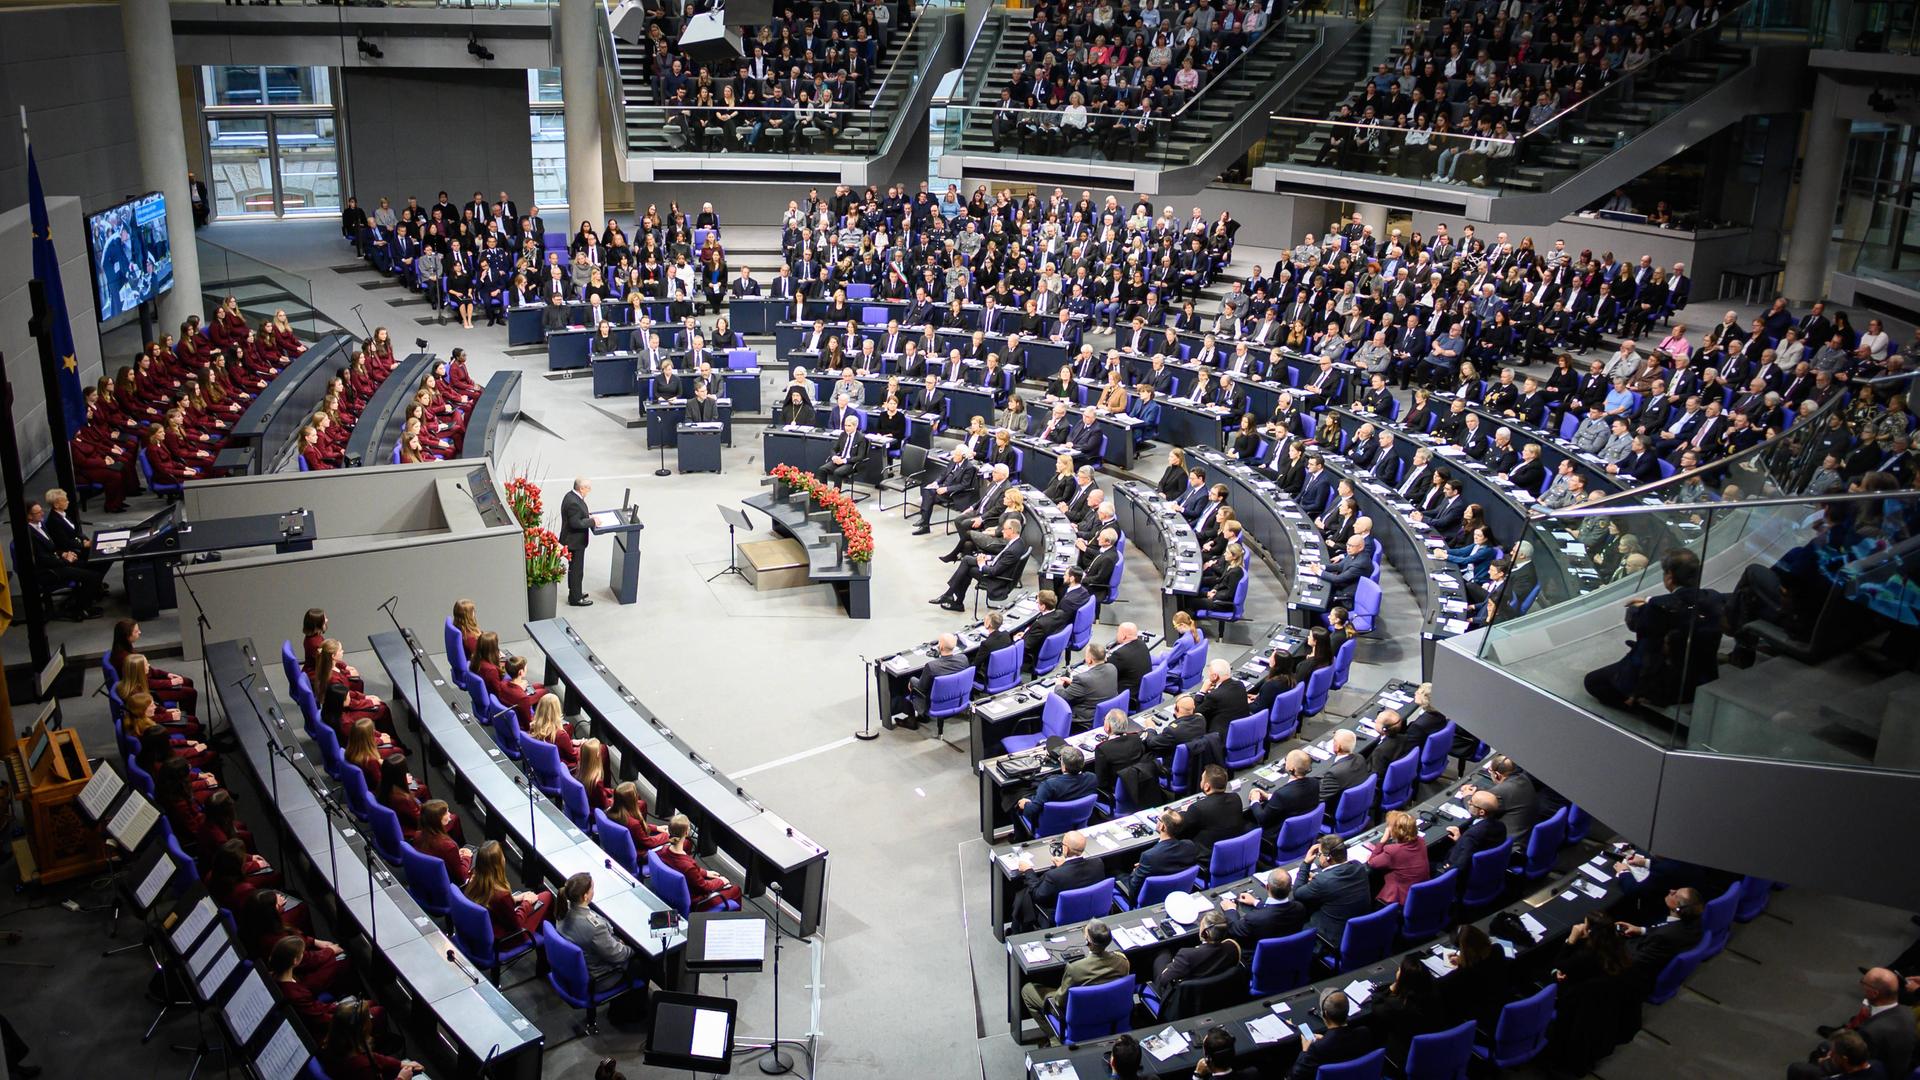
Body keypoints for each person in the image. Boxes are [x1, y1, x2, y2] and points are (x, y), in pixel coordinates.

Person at [1583, 548, 1724, 709]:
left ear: (1669, 577)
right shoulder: (1713, 597)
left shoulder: (1658, 608)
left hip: (1668, 685)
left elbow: (1640, 633)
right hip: (1701, 681)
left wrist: (1641, 607)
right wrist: (1649, 602)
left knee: (1593, 681)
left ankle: (1638, 703)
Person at [1791, 968, 1915, 1078]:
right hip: (1895, 1066)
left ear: (1874, 993)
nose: (1861, 985)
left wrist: (1823, 1062)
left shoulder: (1872, 1032)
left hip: (1875, 1073)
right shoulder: (1906, 1012)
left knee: (1803, 1065)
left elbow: (1855, 1063)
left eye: (1863, 983)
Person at [550, 873, 644, 1005]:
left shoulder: (562, 910)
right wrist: (632, 948)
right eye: (592, 889)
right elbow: (618, 955)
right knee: (643, 961)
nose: (594, 891)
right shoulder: (595, 928)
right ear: (585, 896)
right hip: (600, 977)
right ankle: (626, 1013)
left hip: (576, 970)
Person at [1018, 919, 1131, 1023]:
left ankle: (1054, 1039)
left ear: (1088, 942)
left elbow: (1059, 1001)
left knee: (1028, 990)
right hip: (1109, 1010)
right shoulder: (1123, 961)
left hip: (1081, 1016)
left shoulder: (1075, 968)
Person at [1352, 955, 1446, 1065]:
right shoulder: (1434, 993)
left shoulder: (1398, 1005)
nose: (1397, 970)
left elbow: (1376, 1006)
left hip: (1403, 1056)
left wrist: (1391, 989)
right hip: (1433, 1048)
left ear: (1403, 978)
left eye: (1400, 969)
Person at [1011, 830, 1105, 931]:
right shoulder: (1098, 864)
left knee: (1023, 895)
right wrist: (1065, 866)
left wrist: (1028, 870)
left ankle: (1018, 931)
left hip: (1064, 915)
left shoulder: (1054, 875)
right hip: (1091, 911)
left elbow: (1036, 895)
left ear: (1066, 848)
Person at [464, 840, 551, 946]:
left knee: (537, 905)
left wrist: (514, 899)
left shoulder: (474, 879)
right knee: (546, 896)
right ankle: (546, 950)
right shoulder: (501, 895)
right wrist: (527, 903)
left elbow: (489, 902)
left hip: (483, 931)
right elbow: (517, 925)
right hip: (505, 939)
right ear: (498, 863)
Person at [1294, 833, 1372, 943]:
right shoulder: (1358, 866)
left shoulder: (1323, 881)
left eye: (1319, 854)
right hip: (1358, 930)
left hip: (1331, 939)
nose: (1318, 856)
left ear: (1327, 858)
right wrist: (1320, 878)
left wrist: (1306, 863)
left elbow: (1297, 893)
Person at [1149, 909, 1243, 1000]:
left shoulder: (1187, 955)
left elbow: (1163, 980)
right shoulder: (1232, 947)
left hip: (1182, 1002)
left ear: (1205, 933)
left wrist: (1172, 964)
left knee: (1162, 954)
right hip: (1217, 996)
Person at [321, 1001, 423, 1080]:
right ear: (363, 1028)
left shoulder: (332, 1043)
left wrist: (399, 1064)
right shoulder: (363, 1068)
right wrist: (402, 1078)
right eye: (369, 1017)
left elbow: (373, 1057)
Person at [660, 813, 742, 909]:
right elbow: (704, 887)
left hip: (675, 893)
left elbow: (691, 872)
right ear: (687, 833)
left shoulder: (664, 850)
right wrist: (720, 881)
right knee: (736, 890)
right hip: (695, 901)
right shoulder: (688, 865)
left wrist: (706, 873)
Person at [1287, 990, 1375, 1079]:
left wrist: (1305, 1051)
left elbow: (1295, 1076)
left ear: (1325, 1014)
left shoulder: (1317, 1048)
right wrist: (1325, 1040)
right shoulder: (1364, 1033)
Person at [1218, 867, 1309, 947]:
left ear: (1267, 887)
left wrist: (1230, 910)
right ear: (1290, 888)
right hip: (1289, 954)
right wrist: (1255, 902)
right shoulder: (1300, 908)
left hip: (1257, 959)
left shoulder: (1255, 919)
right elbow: (1276, 910)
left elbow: (1234, 929)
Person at [1444, 924, 1513, 1028]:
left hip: (1482, 1013)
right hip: (1502, 998)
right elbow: (1480, 961)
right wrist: (1461, 960)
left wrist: (1462, 962)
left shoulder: (1462, 973)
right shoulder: (1498, 949)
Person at [1121, 808, 1199, 900]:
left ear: (1162, 826)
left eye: (1158, 819)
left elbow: (1133, 890)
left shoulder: (1149, 856)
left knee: (1114, 873)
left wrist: (1135, 871)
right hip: (1177, 894)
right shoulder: (1189, 846)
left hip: (1150, 900)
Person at [1368, 810, 1431, 904]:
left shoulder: (1393, 851)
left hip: (1403, 898)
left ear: (1395, 831)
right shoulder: (1421, 841)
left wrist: (1383, 840)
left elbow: (1372, 862)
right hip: (1421, 891)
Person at [1055, 643, 1118, 728]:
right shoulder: (1112, 668)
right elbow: (1095, 684)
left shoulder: (1082, 679)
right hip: (1106, 716)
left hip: (1084, 722)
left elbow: (1064, 697)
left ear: (1090, 660)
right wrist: (1073, 683)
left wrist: (1058, 685)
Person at [559, 476, 594, 606]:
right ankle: (575, 598)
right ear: (581, 488)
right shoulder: (573, 502)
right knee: (576, 570)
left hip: (573, 540)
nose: (589, 490)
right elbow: (575, 523)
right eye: (588, 488)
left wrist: (589, 517)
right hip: (574, 541)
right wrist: (592, 521)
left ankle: (576, 592)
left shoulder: (571, 496)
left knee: (575, 569)